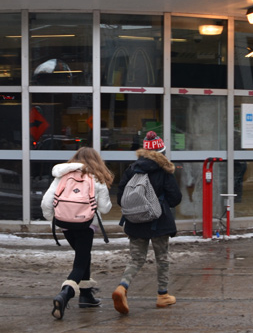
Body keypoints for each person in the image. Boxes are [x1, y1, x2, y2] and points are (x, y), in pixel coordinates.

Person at [112, 131, 182, 315]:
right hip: (159, 222)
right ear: (162, 152)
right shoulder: (164, 170)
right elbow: (175, 198)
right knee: (162, 258)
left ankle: (122, 287)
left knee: (136, 259)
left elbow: (120, 198)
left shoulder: (131, 169)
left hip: (135, 222)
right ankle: (162, 295)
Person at [41, 146, 113, 320]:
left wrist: (54, 220)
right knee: (80, 263)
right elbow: (105, 208)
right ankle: (65, 294)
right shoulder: (96, 177)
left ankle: (86, 296)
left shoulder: (62, 176)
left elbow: (46, 202)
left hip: (66, 225)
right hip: (86, 225)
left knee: (83, 256)